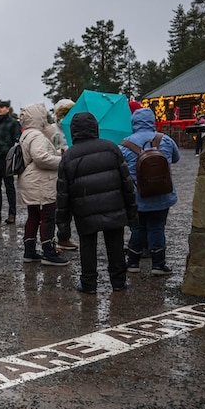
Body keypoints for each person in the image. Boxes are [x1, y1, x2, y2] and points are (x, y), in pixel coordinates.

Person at [56, 111, 138, 294]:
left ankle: (89, 283)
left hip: (84, 210)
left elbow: (63, 196)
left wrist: (63, 229)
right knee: (115, 245)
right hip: (114, 206)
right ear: (95, 127)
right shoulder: (111, 148)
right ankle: (118, 281)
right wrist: (132, 214)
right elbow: (127, 184)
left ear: (74, 131)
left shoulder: (69, 156)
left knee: (87, 247)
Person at [118, 107, 181, 276]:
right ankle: (158, 265)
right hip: (162, 195)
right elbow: (176, 158)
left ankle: (132, 263)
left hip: (137, 197)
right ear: (152, 121)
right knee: (157, 227)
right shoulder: (165, 140)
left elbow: (119, 169)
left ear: (134, 123)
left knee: (138, 229)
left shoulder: (124, 145)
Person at [16, 103, 68, 266]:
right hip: (39, 183)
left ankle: (29, 251)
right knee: (47, 216)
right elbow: (40, 157)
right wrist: (62, 161)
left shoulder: (27, 134)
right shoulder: (37, 136)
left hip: (31, 181)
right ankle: (49, 252)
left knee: (33, 216)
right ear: (38, 117)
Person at [50, 98, 78, 252]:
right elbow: (48, 149)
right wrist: (60, 154)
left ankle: (64, 237)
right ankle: (56, 239)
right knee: (58, 207)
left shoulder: (76, 128)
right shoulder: (53, 129)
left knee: (70, 207)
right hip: (57, 172)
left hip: (74, 171)